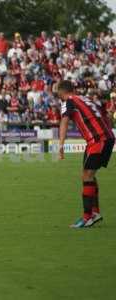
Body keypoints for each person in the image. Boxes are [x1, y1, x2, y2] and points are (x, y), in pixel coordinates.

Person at [58, 80, 115, 228]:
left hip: (98, 139)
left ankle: (87, 216)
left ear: (61, 92)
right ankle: (95, 213)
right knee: (88, 175)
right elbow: (105, 116)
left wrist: (61, 145)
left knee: (87, 176)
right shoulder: (85, 98)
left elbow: (64, 121)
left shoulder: (68, 100)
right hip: (103, 137)